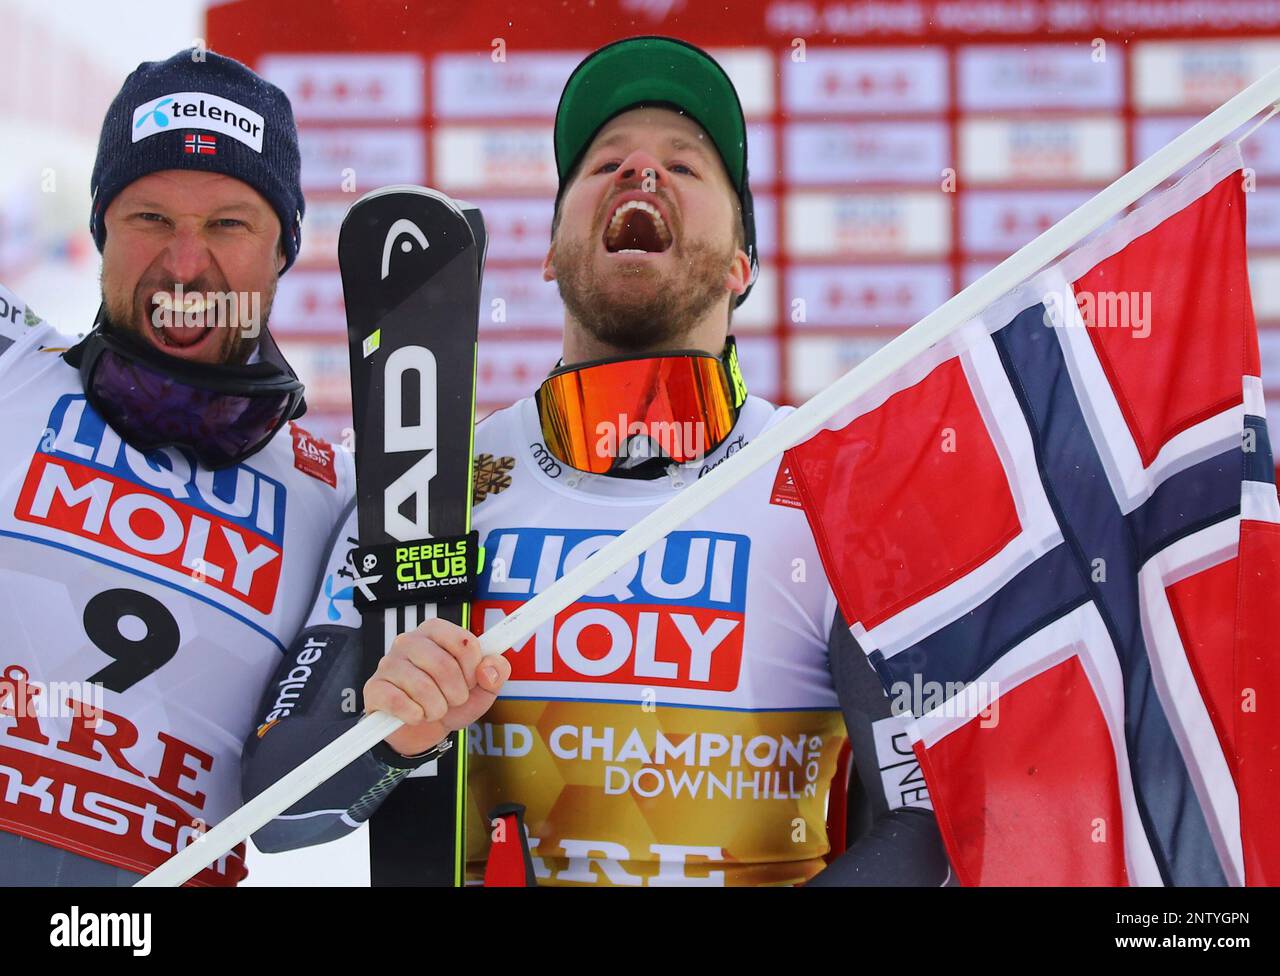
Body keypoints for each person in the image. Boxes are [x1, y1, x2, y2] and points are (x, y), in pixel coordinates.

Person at [245, 35, 951, 886]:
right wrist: (384, 729)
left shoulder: (835, 491)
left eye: (685, 168)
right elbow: (275, 807)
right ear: (549, 255)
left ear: (742, 264)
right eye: (603, 163)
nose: (640, 172)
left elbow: (931, 820)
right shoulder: (427, 480)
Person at [0, 49, 508, 887]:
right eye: (149, 219)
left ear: (283, 253)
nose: (186, 264)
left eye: (229, 224)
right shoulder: (15, 368)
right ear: (99, 233)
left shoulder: (339, 497)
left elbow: (287, 811)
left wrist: (392, 729)